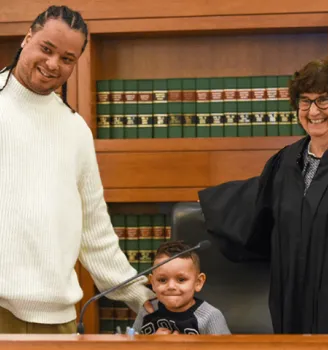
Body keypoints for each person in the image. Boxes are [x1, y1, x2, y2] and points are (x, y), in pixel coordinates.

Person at [0, 5, 154, 334]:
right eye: (46, 49)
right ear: (27, 38)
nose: (53, 64)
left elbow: (94, 228)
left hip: (59, 321)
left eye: (67, 59)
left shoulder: (76, 130)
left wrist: (140, 296)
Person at [198, 57, 328, 334]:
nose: (313, 111)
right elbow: (258, 207)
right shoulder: (286, 161)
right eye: (305, 101)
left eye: (324, 100)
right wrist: (210, 202)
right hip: (290, 296)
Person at [132, 241, 231, 335]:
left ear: (198, 282)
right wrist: (152, 343)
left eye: (181, 280)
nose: (171, 286)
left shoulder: (210, 317)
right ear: (152, 282)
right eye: (162, 280)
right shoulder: (147, 311)